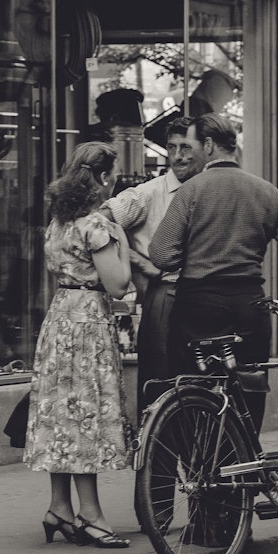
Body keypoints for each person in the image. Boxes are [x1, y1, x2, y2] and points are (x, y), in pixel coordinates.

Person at [149, 113, 278, 436]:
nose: (187, 154)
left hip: (197, 308)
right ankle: (242, 475)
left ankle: (201, 472)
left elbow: (161, 254)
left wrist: (188, 254)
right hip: (248, 309)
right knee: (247, 392)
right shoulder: (265, 192)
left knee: (192, 391)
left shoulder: (191, 192)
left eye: (192, 146)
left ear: (208, 145)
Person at [25, 142, 134, 549]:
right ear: (104, 178)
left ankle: (59, 508)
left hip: (60, 318)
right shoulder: (95, 226)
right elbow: (118, 284)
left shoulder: (58, 223)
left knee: (62, 415)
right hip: (88, 320)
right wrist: (122, 244)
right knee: (86, 414)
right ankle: (91, 516)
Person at [100, 116, 204, 414]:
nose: (178, 156)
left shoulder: (211, 190)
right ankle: (158, 456)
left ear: (204, 149)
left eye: (186, 147)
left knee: (201, 386)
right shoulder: (149, 192)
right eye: (172, 147)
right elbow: (95, 223)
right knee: (159, 381)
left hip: (206, 296)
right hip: (166, 294)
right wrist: (141, 264)